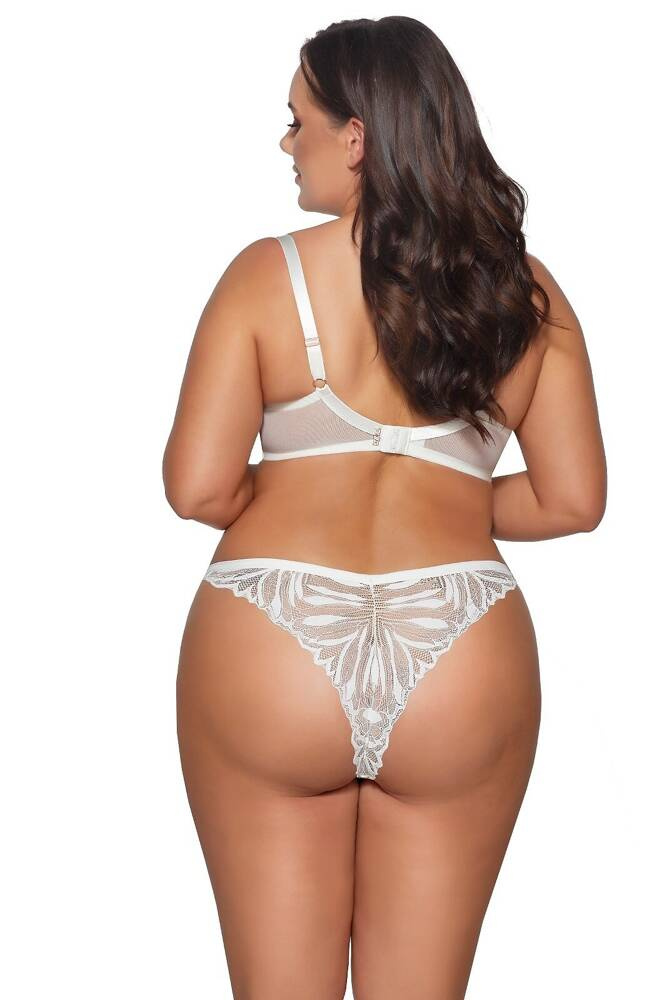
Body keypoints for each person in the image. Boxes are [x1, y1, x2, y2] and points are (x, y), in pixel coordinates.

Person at [162, 15, 606, 1000]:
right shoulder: (525, 295)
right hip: (461, 648)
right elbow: (571, 500)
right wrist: (447, 498)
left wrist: (295, 486)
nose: (286, 142)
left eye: (298, 121)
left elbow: (197, 487)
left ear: (355, 136)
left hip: (269, 637)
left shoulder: (265, 275)